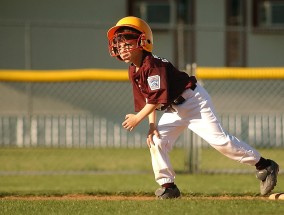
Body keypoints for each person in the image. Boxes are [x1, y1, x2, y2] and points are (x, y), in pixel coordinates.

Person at [107, 16, 279, 199]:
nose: (122, 48)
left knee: (220, 142)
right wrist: (151, 126)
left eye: (127, 43)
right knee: (156, 141)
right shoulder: (134, 70)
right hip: (173, 109)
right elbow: (149, 98)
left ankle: (265, 165)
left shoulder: (153, 64)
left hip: (193, 101)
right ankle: (168, 186)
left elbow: (156, 99)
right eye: (119, 44)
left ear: (143, 41)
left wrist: (137, 118)